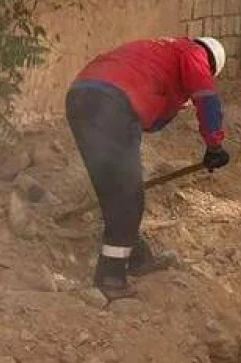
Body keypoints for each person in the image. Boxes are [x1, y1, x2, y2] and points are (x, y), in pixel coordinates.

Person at [65, 36, 230, 299]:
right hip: (112, 104)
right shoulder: (195, 53)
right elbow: (207, 97)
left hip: (80, 98)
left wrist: (178, 102)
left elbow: (153, 122)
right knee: (129, 196)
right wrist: (214, 145)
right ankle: (111, 278)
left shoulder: (161, 54)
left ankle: (135, 256)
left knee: (113, 191)